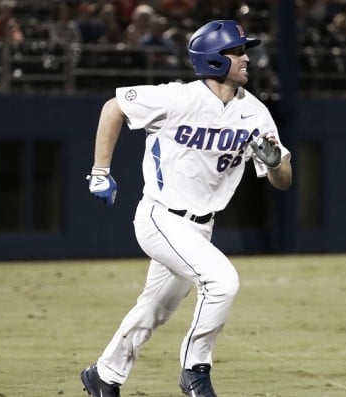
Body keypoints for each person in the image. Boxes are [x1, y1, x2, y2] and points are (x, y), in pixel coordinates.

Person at [79, 19, 293, 397]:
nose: (247, 58)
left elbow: (283, 180)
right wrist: (100, 171)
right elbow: (114, 107)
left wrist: (275, 161)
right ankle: (195, 370)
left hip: (201, 227)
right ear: (213, 60)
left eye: (245, 51)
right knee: (222, 281)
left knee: (155, 310)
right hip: (161, 217)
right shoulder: (178, 98)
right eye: (238, 51)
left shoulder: (256, 113)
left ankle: (104, 375)